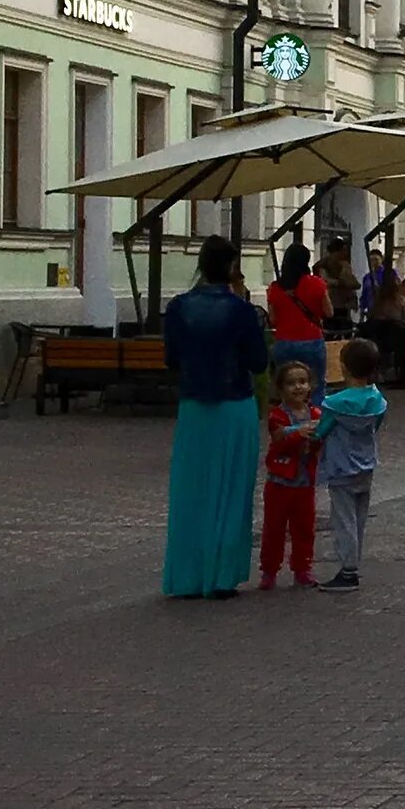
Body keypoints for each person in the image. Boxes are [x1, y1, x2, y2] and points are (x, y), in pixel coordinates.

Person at [159, 236, 270, 599]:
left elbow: (172, 359)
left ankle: (186, 577)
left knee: (191, 492)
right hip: (234, 404)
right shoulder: (240, 311)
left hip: (193, 406)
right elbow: (258, 361)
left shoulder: (178, 308)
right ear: (231, 267)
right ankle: (221, 577)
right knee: (231, 489)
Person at [314, 335, 388, 591]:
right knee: (359, 517)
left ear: (344, 365)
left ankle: (348, 570)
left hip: (340, 465)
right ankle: (353, 562)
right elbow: (375, 427)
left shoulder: (334, 403)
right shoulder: (377, 399)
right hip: (366, 464)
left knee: (343, 518)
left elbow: (320, 431)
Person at [257, 359, 322, 589]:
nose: (298, 387)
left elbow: (320, 442)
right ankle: (269, 570)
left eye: (303, 382)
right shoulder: (277, 416)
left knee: (304, 528)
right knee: (274, 528)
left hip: (305, 483)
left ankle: (303, 568)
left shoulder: (316, 413)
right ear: (281, 388)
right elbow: (279, 439)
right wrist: (300, 433)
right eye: (292, 383)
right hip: (280, 483)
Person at [265, 242, 330, 401]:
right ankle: (315, 419)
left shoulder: (275, 287)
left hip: (284, 342)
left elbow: (273, 319)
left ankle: (289, 420)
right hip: (312, 341)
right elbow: (329, 312)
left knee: (287, 387)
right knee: (316, 386)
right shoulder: (317, 283)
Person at [315, 234, 360, 333]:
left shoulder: (345, 265)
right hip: (329, 306)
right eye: (342, 250)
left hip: (343, 306)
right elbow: (324, 282)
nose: (344, 253)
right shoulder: (322, 265)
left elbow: (355, 284)